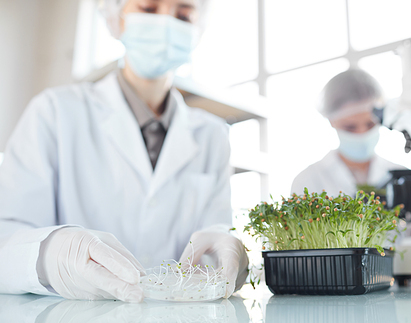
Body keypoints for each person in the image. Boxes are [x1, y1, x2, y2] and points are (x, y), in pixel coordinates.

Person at [0, 0, 248, 303]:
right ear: (115, 18)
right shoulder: (54, 111)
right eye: (148, 8)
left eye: (183, 13)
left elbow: (214, 233)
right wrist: (48, 254)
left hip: (174, 321)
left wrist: (227, 252)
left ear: (199, 26)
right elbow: (6, 236)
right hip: (74, 320)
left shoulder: (213, 134)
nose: (166, 24)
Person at [291, 69, 404, 197]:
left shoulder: (403, 177)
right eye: (350, 127)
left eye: (370, 124)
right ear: (331, 122)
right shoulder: (308, 181)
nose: (362, 133)